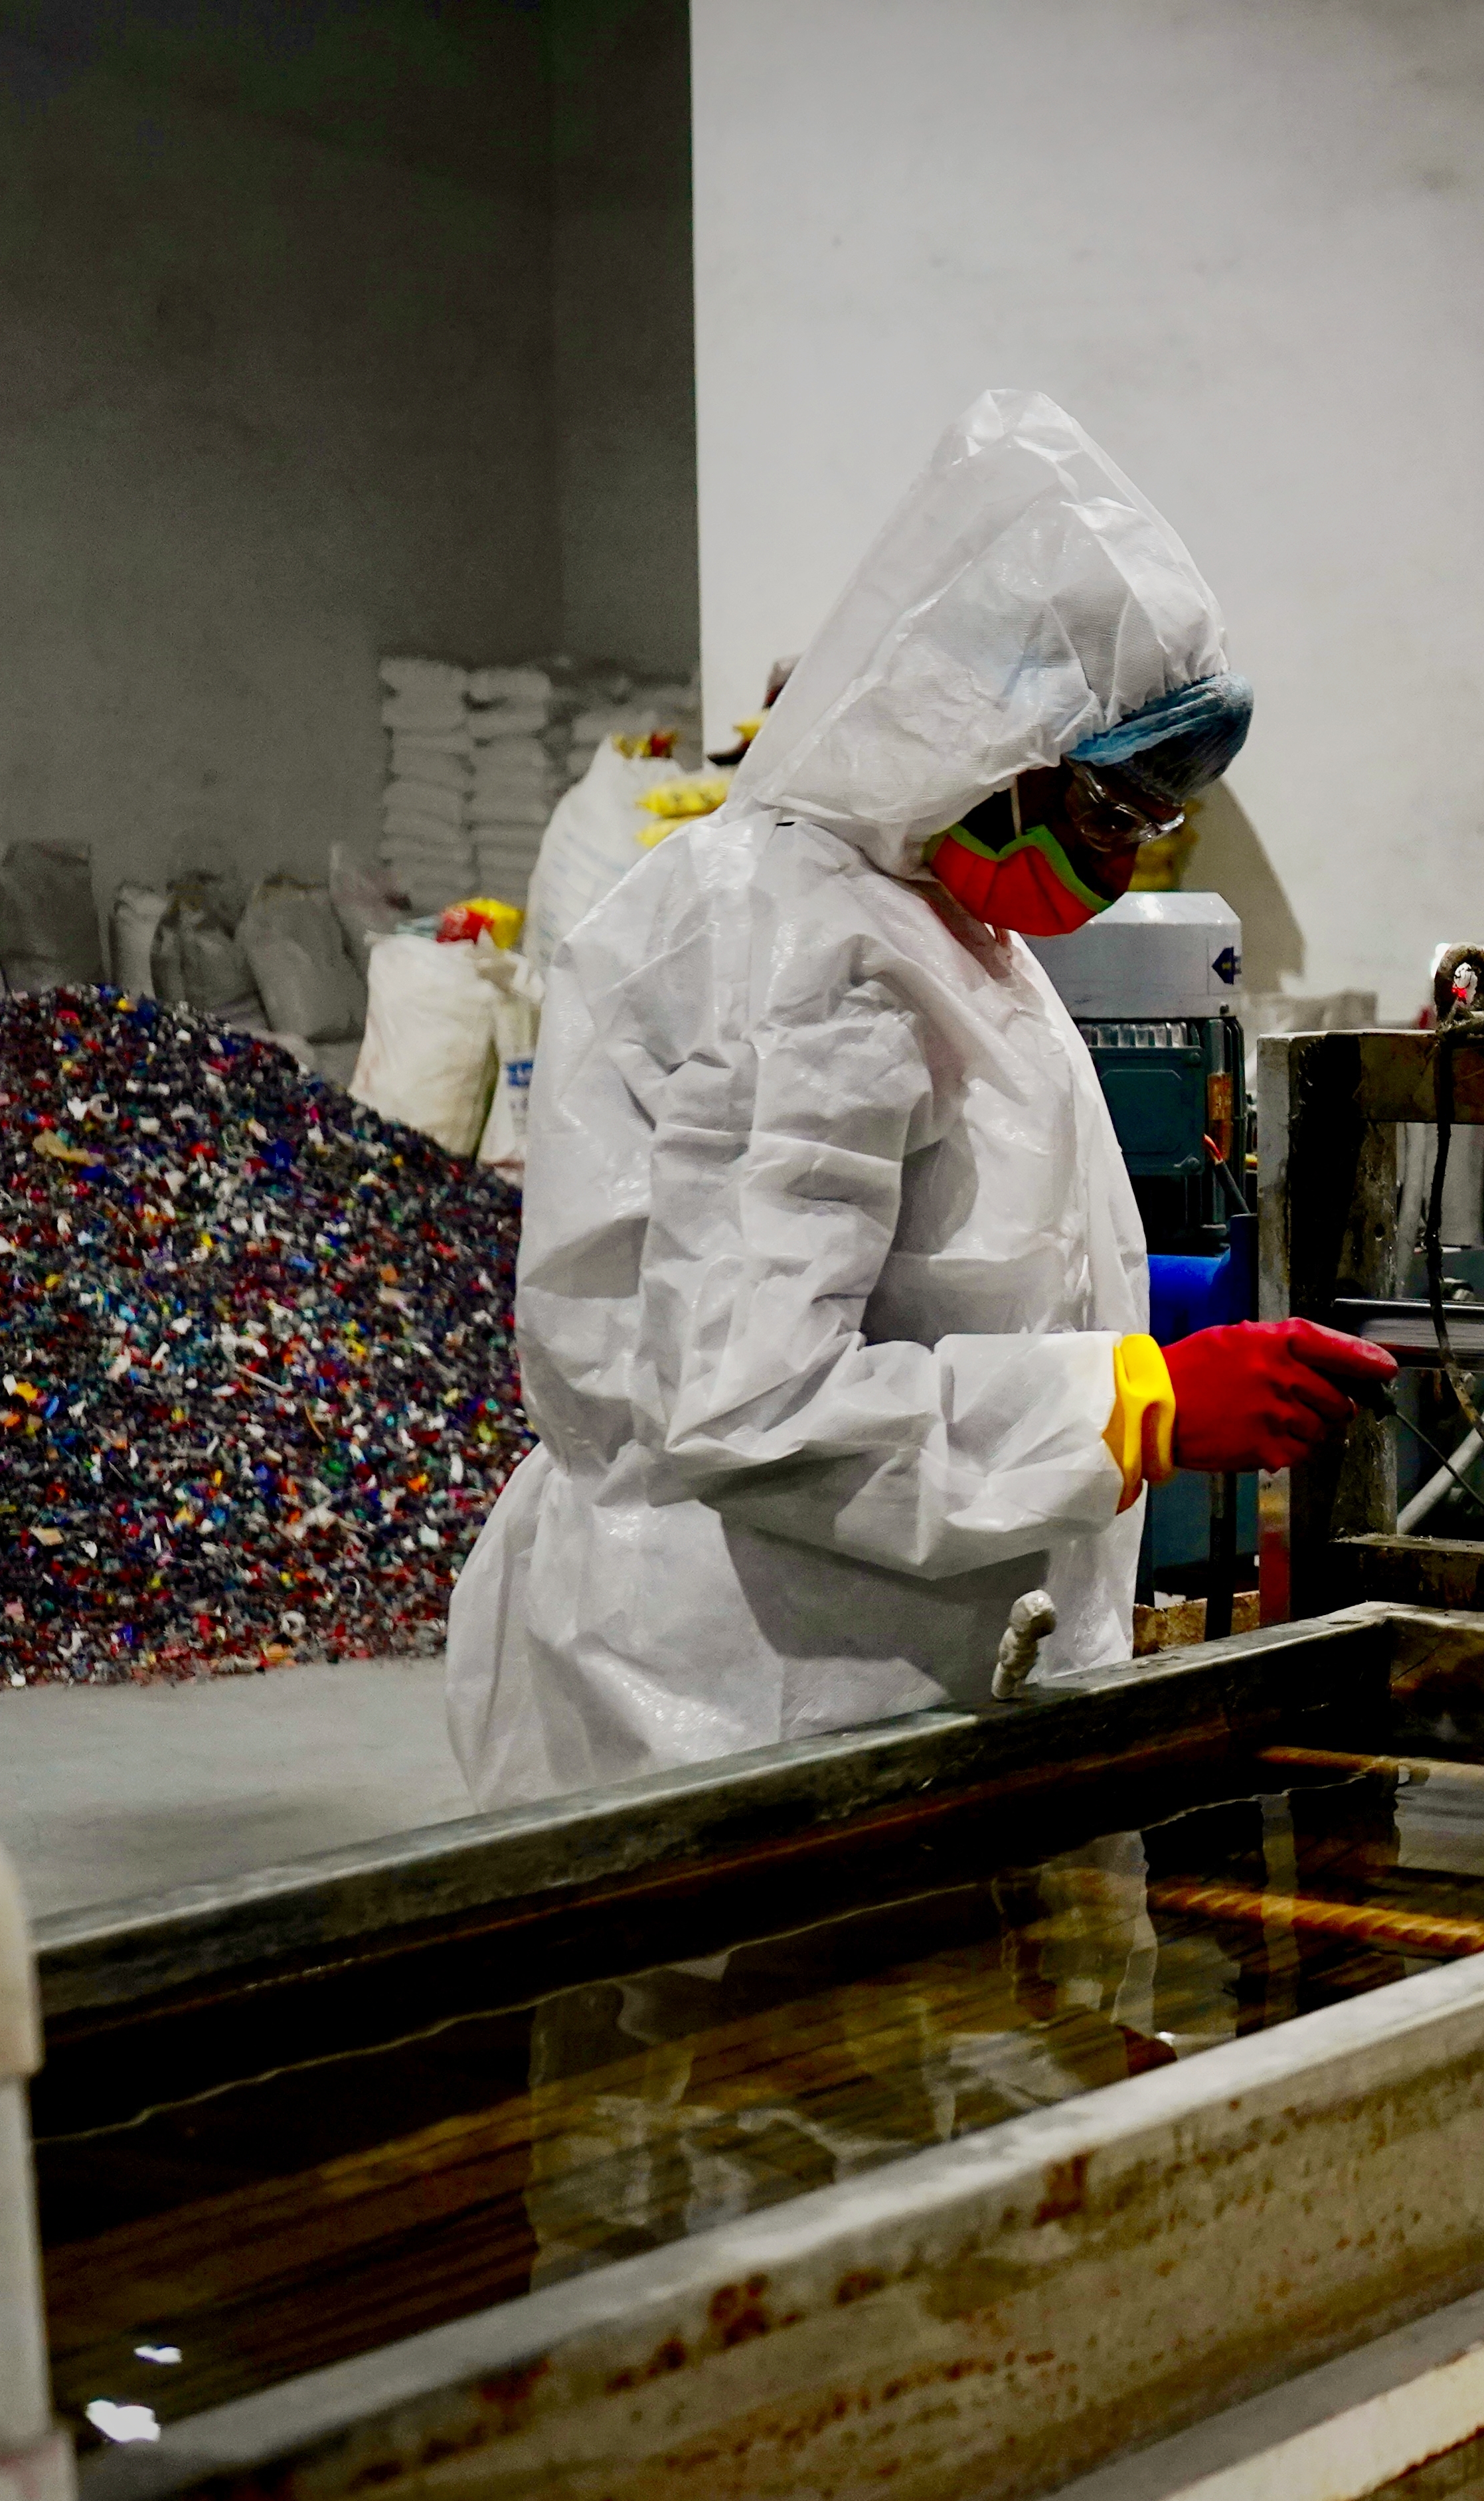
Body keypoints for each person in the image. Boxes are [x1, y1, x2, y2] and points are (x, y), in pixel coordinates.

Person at [449, 391, 1395, 1806]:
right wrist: (1136, 1403)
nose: (1129, 861)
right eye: (1106, 811)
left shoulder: (935, 922)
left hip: (893, 1666)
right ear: (984, 747)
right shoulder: (796, 951)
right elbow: (756, 1403)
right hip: (756, 1694)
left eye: (1154, 819)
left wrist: (1147, 1308)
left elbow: (913, 1242)